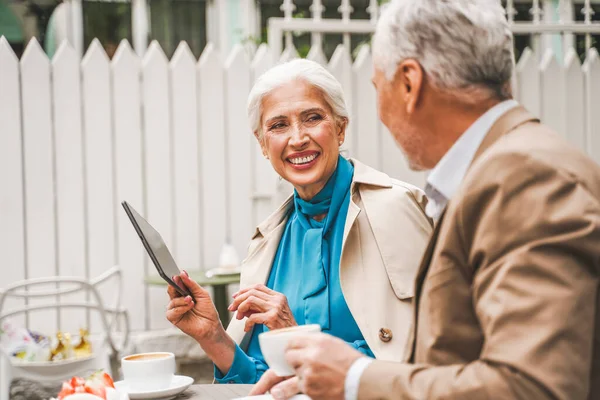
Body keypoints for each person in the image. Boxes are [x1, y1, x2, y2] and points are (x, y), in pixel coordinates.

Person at [251, 1, 600, 399]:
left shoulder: (527, 178)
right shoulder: (503, 170)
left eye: (377, 87)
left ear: (409, 83)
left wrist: (356, 379)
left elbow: (531, 387)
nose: (380, 112)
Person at [165, 59, 433, 385]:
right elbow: (267, 382)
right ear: (263, 144)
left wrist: (297, 337)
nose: (297, 138)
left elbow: (436, 354)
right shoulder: (267, 240)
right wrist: (213, 336)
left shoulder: (395, 207)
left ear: (340, 127)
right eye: (278, 125)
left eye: (312, 118)